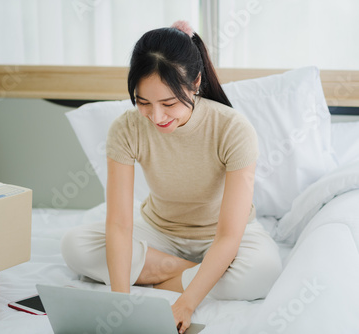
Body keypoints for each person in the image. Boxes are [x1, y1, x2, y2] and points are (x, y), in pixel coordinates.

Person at [61, 20, 282, 333]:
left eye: (168, 103)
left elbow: (229, 236)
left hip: (220, 235)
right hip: (159, 229)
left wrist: (187, 302)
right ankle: (201, 272)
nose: (157, 117)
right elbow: (120, 225)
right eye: (143, 103)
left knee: (263, 271)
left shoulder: (232, 129)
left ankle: (182, 275)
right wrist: (119, 305)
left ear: (196, 82)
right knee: (75, 246)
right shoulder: (125, 129)